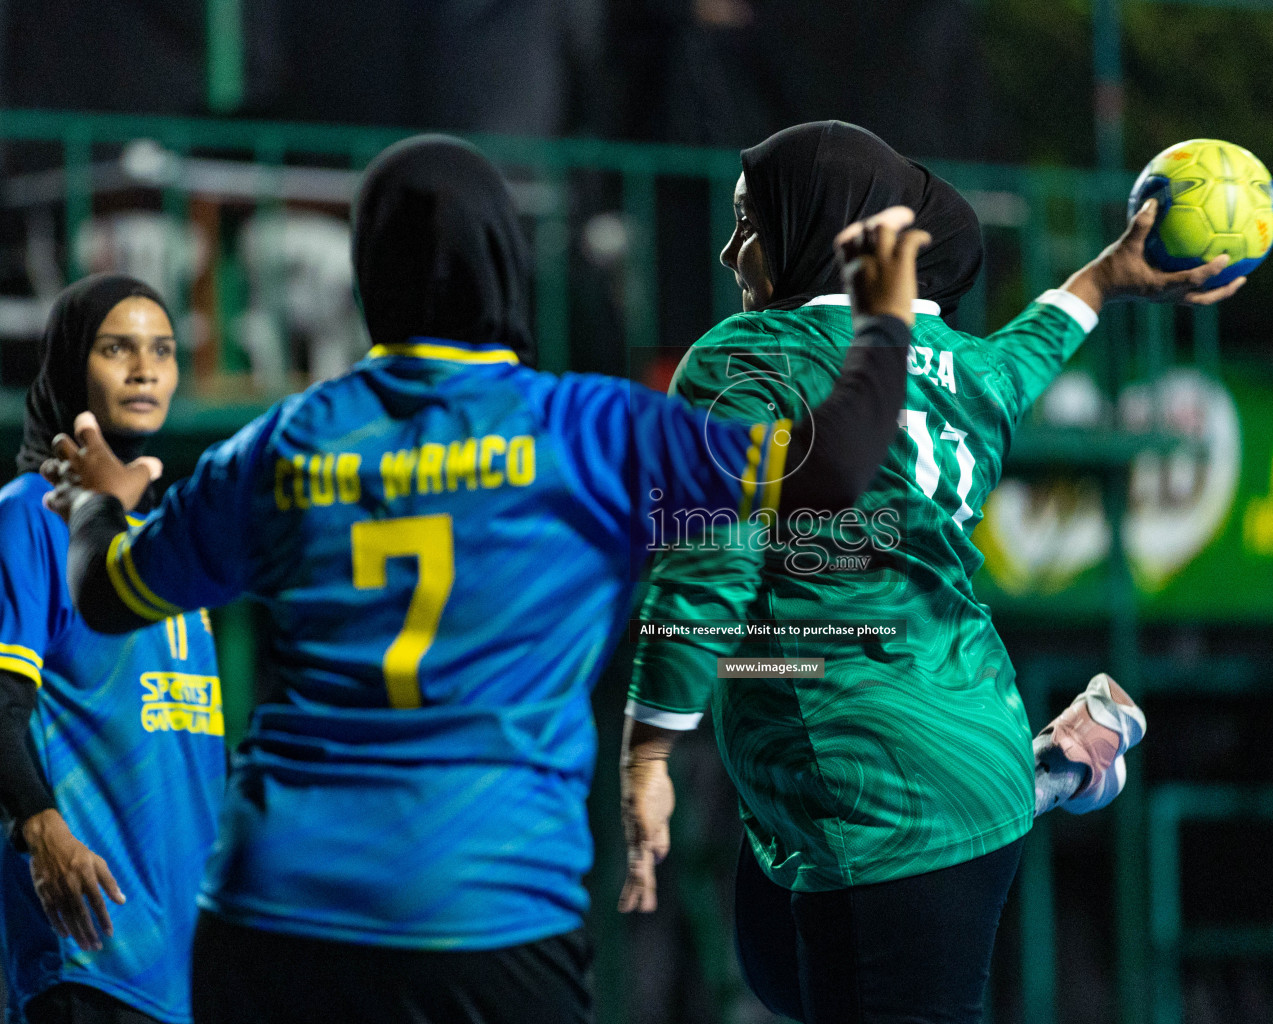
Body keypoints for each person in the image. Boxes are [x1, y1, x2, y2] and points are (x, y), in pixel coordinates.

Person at [41, 134, 931, 1024]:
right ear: (506, 263)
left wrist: (96, 504)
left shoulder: (285, 442)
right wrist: (884, 318)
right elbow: (838, 461)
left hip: (276, 907)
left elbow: (109, 593)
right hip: (486, 913)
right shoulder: (592, 430)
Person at [618, 121, 1236, 1023]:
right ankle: (1046, 770)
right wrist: (1105, 277)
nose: (729, 248)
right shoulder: (964, 367)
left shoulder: (748, 357)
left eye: (750, 221)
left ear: (817, 231)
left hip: (884, 796)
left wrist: (647, 751)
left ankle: (1041, 772)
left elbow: (708, 565)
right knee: (776, 967)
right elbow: (1028, 354)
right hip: (950, 739)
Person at [0, 274, 226, 1024]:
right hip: (90, 956)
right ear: (71, 364)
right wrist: (42, 829)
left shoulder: (162, 545)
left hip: (186, 966)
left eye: (162, 350)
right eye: (116, 348)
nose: (144, 369)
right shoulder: (30, 516)